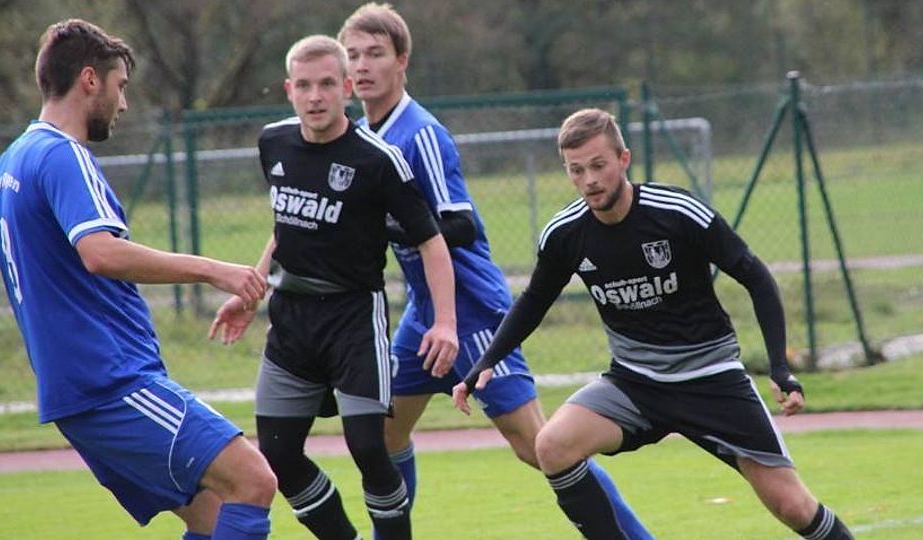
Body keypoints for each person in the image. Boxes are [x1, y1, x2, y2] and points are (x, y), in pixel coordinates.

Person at [454, 108, 855, 539]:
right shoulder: (565, 234)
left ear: (624, 159)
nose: (589, 180)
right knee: (552, 445)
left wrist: (779, 366)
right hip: (635, 383)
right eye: (576, 170)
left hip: (711, 378)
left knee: (792, 506)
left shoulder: (678, 211)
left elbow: (755, 276)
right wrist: (486, 361)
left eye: (599, 165)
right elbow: (534, 300)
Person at [337, 4, 651, 539]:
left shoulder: (420, 134)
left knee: (540, 447)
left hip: (472, 311)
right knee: (383, 437)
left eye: (375, 53)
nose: (362, 66)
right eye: (353, 55)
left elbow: (459, 226)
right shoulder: (365, 135)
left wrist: (382, 224)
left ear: (402, 60)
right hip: (425, 315)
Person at [0, 19, 276, 540]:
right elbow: (101, 253)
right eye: (120, 86)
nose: (124, 104)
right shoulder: (62, 154)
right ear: (90, 80)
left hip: (76, 393)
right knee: (254, 480)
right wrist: (213, 269)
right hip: (110, 382)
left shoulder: (2, 170)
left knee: (214, 514)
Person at [208, 34, 458, 540]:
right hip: (291, 320)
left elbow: (432, 241)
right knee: (277, 453)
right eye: (303, 85)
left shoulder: (378, 159)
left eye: (326, 84)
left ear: (346, 88)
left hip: (353, 320)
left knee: (368, 447)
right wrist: (252, 291)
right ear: (289, 90)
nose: (315, 96)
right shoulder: (273, 142)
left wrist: (446, 323)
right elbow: (286, 227)